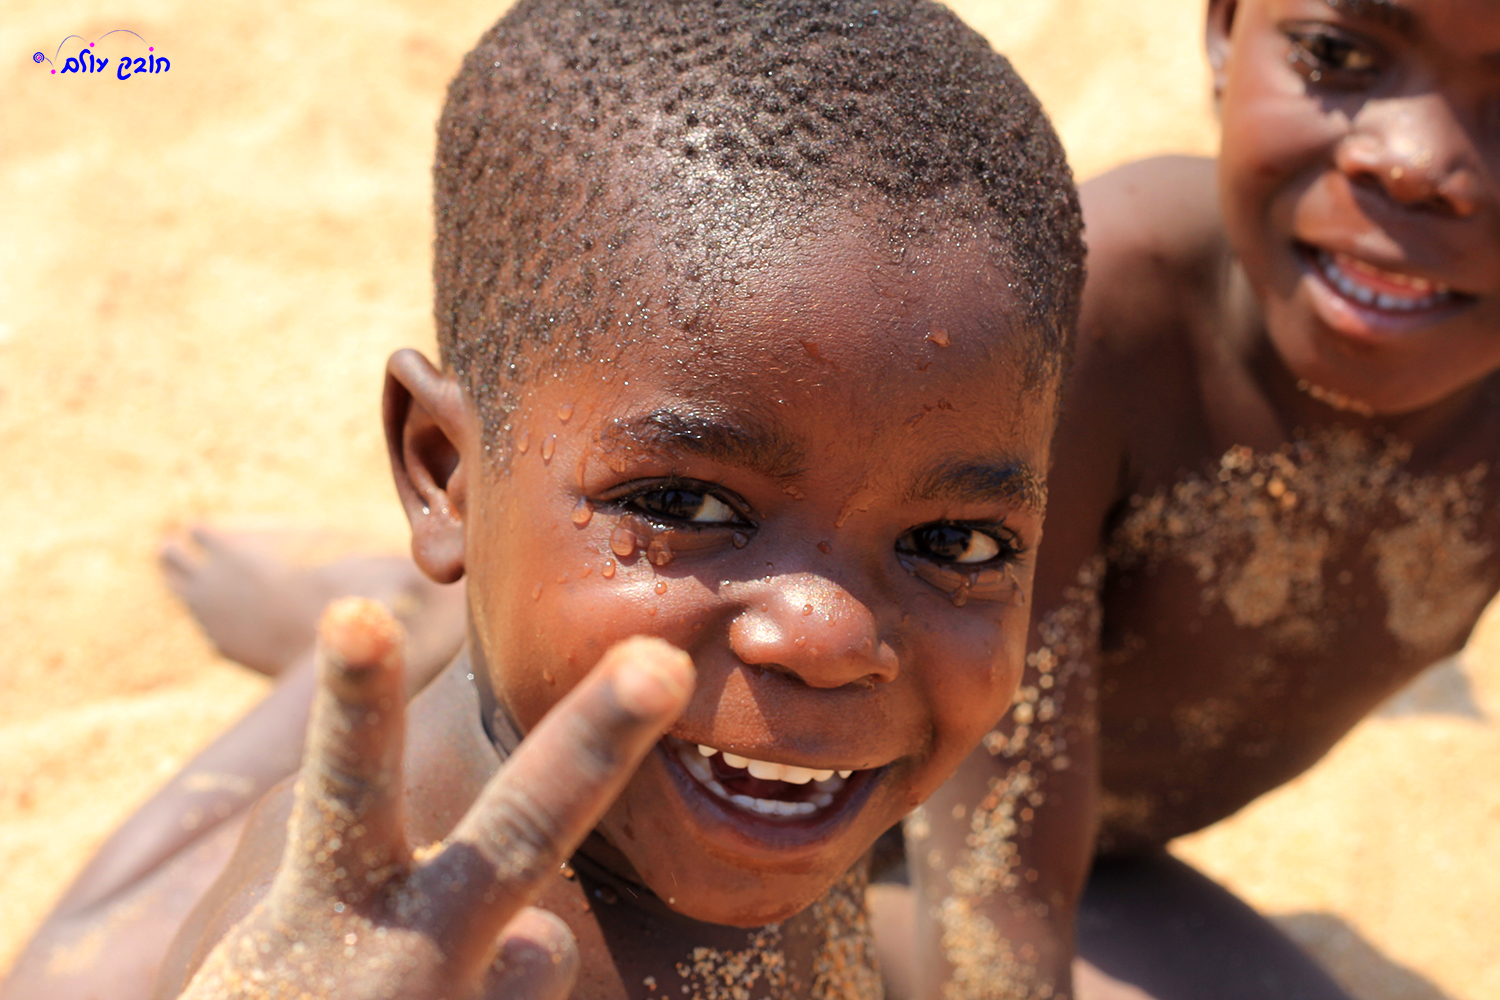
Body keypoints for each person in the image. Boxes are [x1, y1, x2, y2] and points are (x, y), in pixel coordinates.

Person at [0, 1, 1086, 998]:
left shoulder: (767, 780)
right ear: (443, 470)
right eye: (687, 505)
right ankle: (364, 638)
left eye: (957, 539)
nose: (829, 634)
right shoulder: (365, 955)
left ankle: (410, 621)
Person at [904, 0, 1500, 997]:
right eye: (1339, 53)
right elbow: (987, 901)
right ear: (1226, 32)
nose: (1411, 159)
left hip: (1101, 870)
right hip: (806, 846)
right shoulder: (1096, 312)